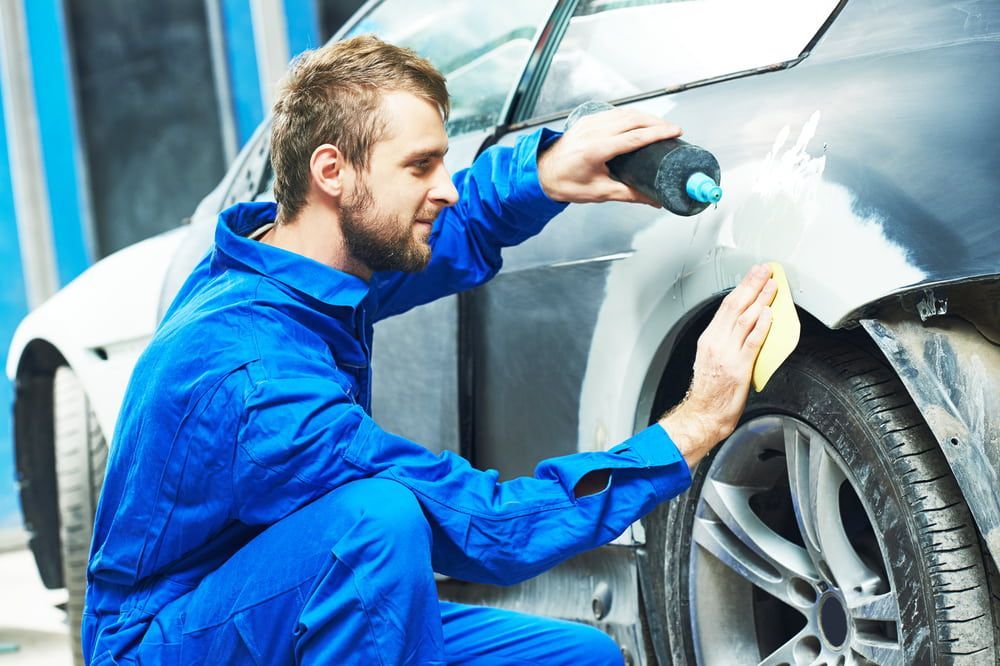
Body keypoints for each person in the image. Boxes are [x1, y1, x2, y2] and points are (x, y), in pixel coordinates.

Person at [82, 35, 775, 665]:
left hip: (270, 601)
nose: (444, 187)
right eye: (421, 166)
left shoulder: (288, 262)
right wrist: (691, 427)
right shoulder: (260, 382)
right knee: (376, 525)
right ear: (333, 171)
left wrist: (545, 172)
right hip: (167, 644)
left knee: (576, 659)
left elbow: (434, 239)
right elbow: (488, 528)